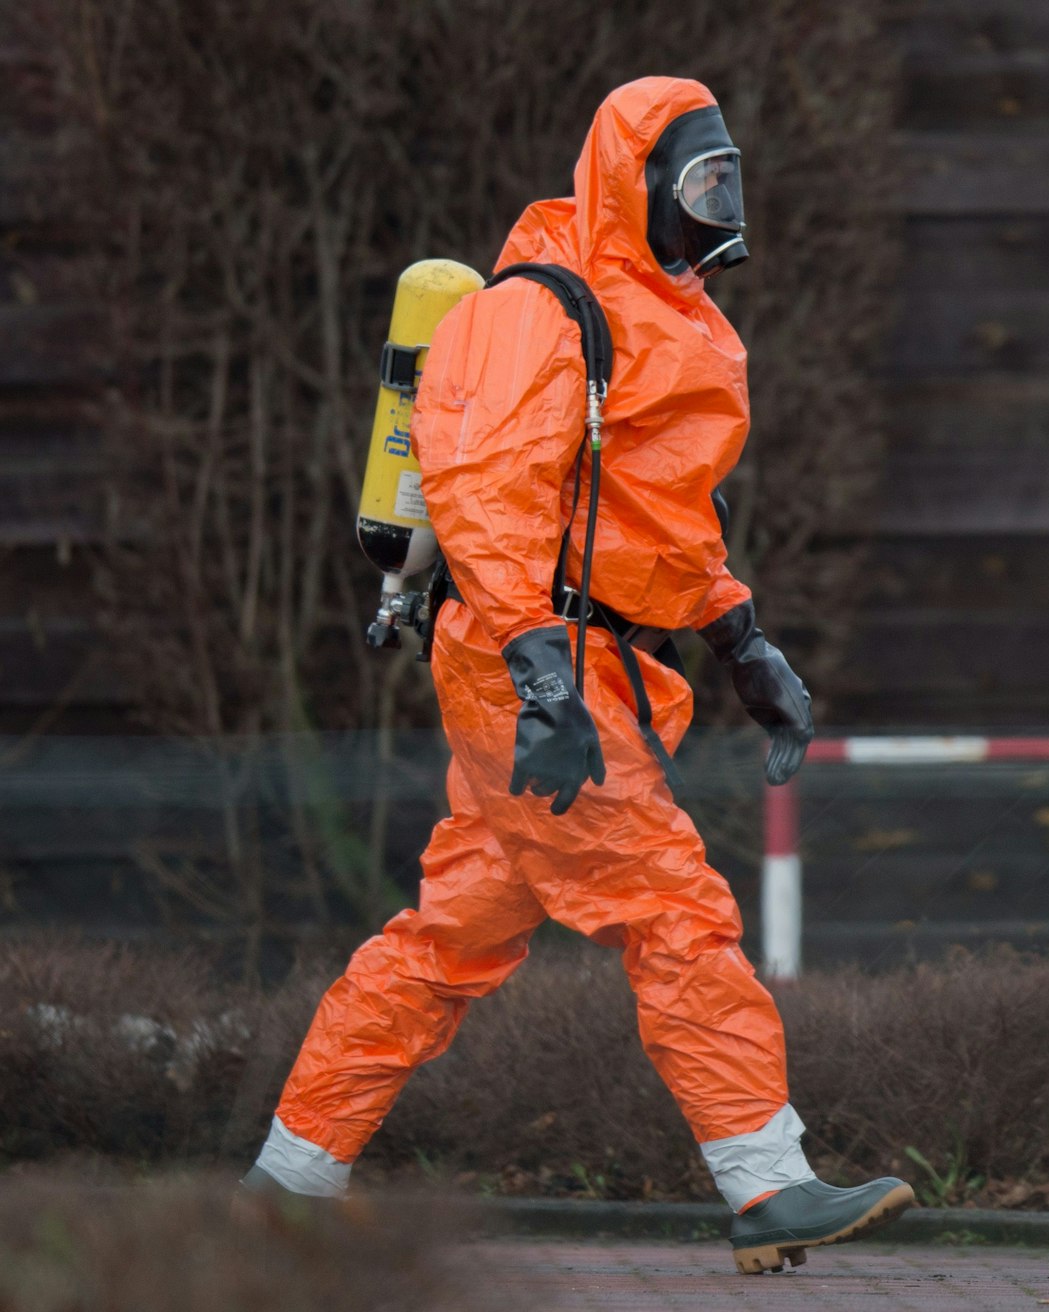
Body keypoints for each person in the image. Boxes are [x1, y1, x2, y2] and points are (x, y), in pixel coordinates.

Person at [241, 75, 912, 1275]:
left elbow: (657, 518)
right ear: (636, 185)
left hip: (580, 663)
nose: (721, 207)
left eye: (730, 180)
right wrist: (539, 674)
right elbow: (487, 500)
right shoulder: (541, 311)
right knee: (673, 906)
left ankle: (286, 1182)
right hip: (531, 665)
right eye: (702, 183)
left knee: (446, 941)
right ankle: (767, 1178)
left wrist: (740, 638)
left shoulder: (678, 318)